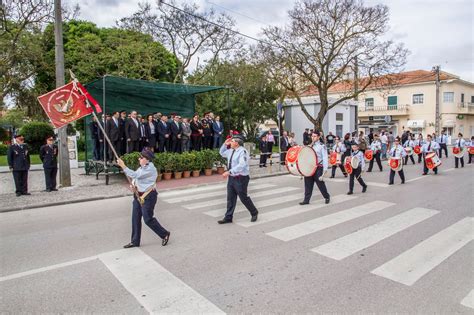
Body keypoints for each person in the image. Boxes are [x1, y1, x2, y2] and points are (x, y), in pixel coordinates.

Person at [117, 149, 170, 248]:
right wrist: (133, 185)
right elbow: (136, 178)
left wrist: (123, 165)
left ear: (147, 160)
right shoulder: (142, 167)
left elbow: (135, 175)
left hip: (149, 196)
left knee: (148, 219)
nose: (139, 158)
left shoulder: (151, 169)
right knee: (135, 218)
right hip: (138, 196)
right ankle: (135, 241)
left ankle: (164, 234)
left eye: (141, 157)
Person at [218, 135, 259, 224]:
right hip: (232, 178)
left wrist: (229, 172)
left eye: (232, 141)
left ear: (236, 143)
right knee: (230, 198)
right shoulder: (231, 151)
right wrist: (225, 144)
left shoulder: (243, 152)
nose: (230, 143)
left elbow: (242, 165)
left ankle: (254, 212)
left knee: (243, 197)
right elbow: (221, 153)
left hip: (241, 178)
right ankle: (228, 217)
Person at [300, 131, 330, 205]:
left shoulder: (322, 146)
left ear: (319, 137)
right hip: (309, 167)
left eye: (315, 136)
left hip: (318, 167)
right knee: (308, 183)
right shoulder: (309, 146)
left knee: (320, 184)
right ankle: (306, 200)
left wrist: (325, 169)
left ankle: (326, 196)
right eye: (312, 136)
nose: (313, 138)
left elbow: (325, 158)